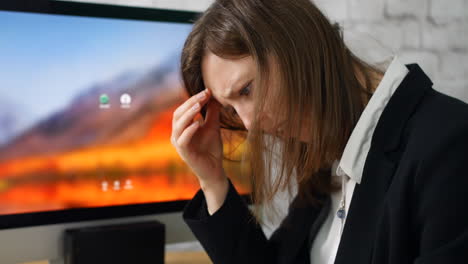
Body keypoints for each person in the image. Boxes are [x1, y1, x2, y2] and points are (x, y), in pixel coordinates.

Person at [170, 0, 468, 263]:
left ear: (296, 43)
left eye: (247, 89)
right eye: (232, 110)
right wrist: (212, 181)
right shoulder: (329, 162)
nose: (250, 125)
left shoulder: (450, 143)